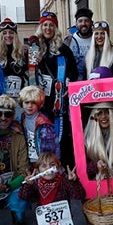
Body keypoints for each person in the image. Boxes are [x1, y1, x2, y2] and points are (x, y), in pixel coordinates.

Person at [18, 152, 86, 225]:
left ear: (58, 167)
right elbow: (23, 197)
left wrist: (73, 182)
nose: (48, 168)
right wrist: (28, 185)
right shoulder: (36, 183)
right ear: (38, 170)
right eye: (44, 166)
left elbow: (79, 195)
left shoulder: (64, 181)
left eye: (52, 165)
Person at [34, 11, 78, 167]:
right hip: (41, 100)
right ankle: (45, 168)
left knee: (63, 136)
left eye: (51, 25)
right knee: (44, 134)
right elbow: (30, 72)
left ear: (56, 28)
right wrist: (37, 62)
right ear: (41, 27)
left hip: (59, 100)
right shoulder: (35, 47)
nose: (48, 28)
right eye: (45, 25)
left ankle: (66, 168)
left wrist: (69, 85)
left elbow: (74, 71)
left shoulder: (63, 49)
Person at [0, 94, 30, 225]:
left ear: (13, 116)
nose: (3, 118)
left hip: (12, 181)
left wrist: (7, 187)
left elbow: (24, 171)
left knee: (20, 191)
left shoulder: (19, 137)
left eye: (8, 114)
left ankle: (18, 215)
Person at [0, 18, 28, 116]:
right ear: (1, 36)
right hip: (0, 99)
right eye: (4, 33)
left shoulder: (24, 53)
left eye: (11, 32)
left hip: (19, 99)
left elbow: (29, 74)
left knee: (18, 127)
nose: (8, 35)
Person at [18, 85, 59, 164]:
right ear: (21, 103)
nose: (30, 106)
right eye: (27, 102)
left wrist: (42, 165)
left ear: (39, 104)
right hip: (27, 160)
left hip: (41, 163)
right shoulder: (22, 117)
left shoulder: (44, 124)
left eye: (33, 103)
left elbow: (50, 151)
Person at [68, 8, 94, 81]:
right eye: (80, 21)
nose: (83, 24)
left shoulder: (97, 39)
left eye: (86, 21)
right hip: (74, 82)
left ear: (91, 23)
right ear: (76, 24)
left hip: (93, 82)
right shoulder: (69, 40)